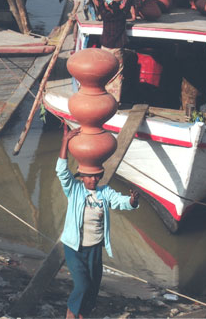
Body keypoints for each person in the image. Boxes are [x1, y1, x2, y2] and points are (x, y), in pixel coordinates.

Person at [56, 127, 140, 318]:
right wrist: (65, 143)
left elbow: (120, 201)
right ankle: (71, 313)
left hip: (94, 248)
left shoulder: (104, 192)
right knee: (82, 285)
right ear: (81, 176)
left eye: (95, 176)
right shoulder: (74, 189)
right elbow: (61, 171)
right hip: (74, 248)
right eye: (88, 176)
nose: (92, 180)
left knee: (92, 289)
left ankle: (82, 314)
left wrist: (132, 201)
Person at [97, 0, 135, 102]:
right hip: (117, 49)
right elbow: (130, 0)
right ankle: (114, 100)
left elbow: (99, 0)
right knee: (117, 74)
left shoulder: (105, 14)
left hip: (105, 47)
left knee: (104, 71)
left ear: (108, 7)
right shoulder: (123, 14)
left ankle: (102, 95)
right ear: (120, 6)